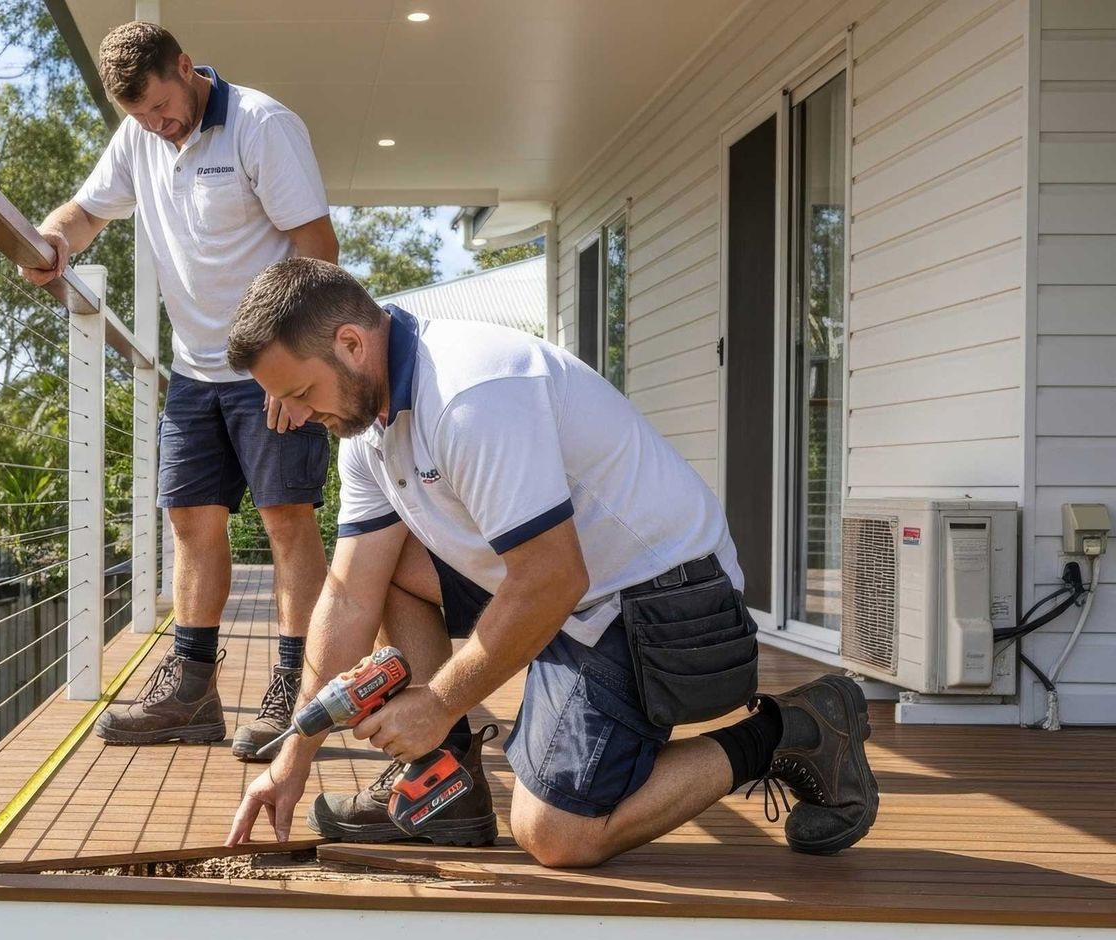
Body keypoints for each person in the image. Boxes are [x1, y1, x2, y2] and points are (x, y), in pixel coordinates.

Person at [222, 258, 880, 865]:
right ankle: (444, 780)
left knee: (556, 833)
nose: (300, 415)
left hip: (663, 596)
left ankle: (797, 729)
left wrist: (441, 699)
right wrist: (296, 749)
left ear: (351, 343)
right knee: (387, 560)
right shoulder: (369, 423)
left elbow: (552, 577)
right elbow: (349, 593)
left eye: (302, 392)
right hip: (566, 587)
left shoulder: (469, 394)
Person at [21, 22, 339, 758]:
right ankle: (193, 694)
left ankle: (298, 691)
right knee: (191, 522)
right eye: (140, 117)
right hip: (195, 372)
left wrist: (300, 368)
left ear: (187, 68)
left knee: (286, 521)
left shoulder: (261, 126)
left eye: (163, 108)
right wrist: (52, 239)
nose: (157, 126)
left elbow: (318, 249)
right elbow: (88, 211)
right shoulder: (139, 139)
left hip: (275, 367)